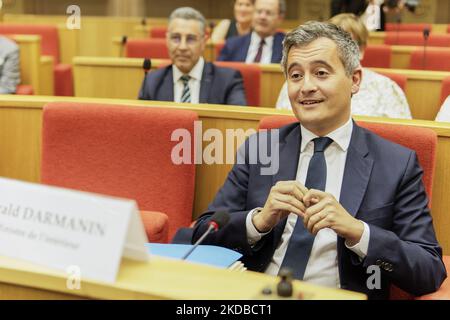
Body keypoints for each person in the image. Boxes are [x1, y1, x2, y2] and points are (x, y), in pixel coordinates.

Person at [192, 21, 446, 299]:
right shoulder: (261, 148)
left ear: (355, 80)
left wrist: (358, 232)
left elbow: (428, 269)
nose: (306, 87)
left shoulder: (396, 164)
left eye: (321, 73)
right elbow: (204, 233)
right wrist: (259, 222)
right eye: (296, 75)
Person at [276, 13, 412, 119]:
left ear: (362, 49)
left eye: (349, 44)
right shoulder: (296, 83)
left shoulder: (386, 87)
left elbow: (400, 133)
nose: (307, 87)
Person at [139, 7, 247, 106]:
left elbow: (238, 124)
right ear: (167, 40)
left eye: (190, 39)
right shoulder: (152, 81)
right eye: (176, 38)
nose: (182, 47)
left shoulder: (227, 80)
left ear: (203, 42)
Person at [217, 0, 286, 63]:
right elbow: (218, 73)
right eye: (259, 12)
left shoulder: (287, 47)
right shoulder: (232, 45)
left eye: (268, 13)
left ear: (280, 18)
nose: (262, 17)